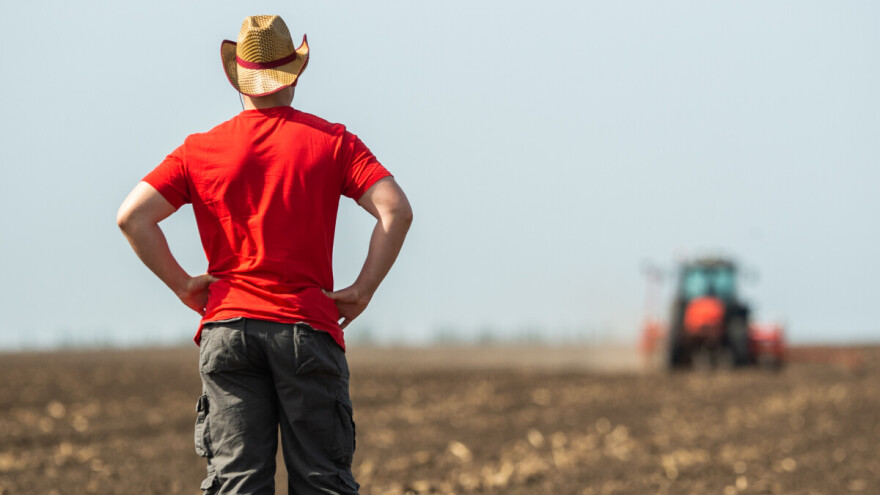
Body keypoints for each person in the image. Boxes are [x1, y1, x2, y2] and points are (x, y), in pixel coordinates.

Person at [116, 15, 412, 495]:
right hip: (305, 326)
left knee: (236, 484)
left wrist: (182, 284)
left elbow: (132, 217)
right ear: (293, 75)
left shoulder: (199, 150)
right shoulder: (334, 142)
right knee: (322, 480)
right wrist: (362, 290)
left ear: (239, 79)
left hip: (228, 329)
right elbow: (395, 210)